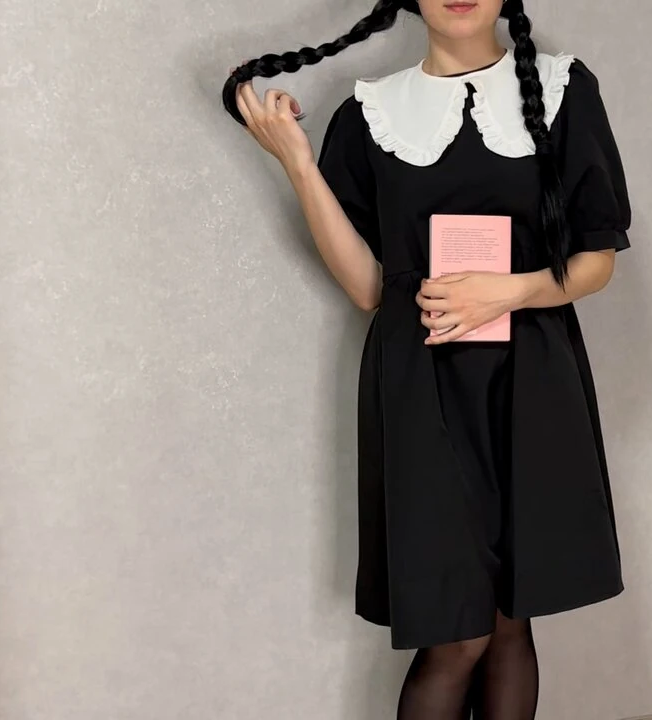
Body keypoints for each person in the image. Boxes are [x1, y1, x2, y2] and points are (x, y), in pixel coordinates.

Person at [222, 1, 631, 717]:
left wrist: (508, 290)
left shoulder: (564, 87)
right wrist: (297, 164)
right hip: (421, 388)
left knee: (510, 621)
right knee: (457, 632)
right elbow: (368, 287)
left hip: (530, 384)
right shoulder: (371, 112)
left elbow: (597, 260)